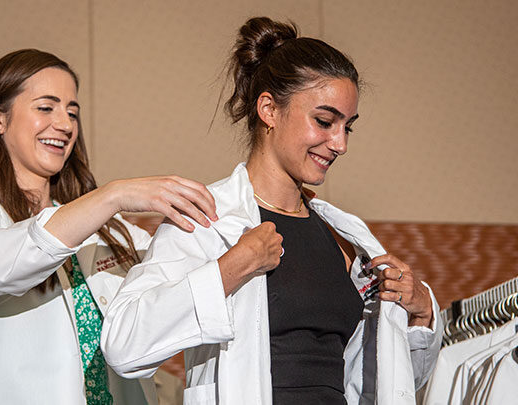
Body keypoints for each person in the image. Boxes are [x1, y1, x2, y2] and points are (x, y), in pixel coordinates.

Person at [100, 17, 443, 404]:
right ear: (269, 109)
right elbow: (124, 346)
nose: (340, 143)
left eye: (348, 127)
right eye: (325, 121)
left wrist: (421, 313)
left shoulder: (344, 239)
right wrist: (231, 268)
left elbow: (385, 383)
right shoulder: (207, 219)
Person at [0, 49, 216, 405]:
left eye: (72, 112)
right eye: (46, 107)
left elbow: (176, 280)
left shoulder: (109, 228)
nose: (64, 124)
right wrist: (114, 194)